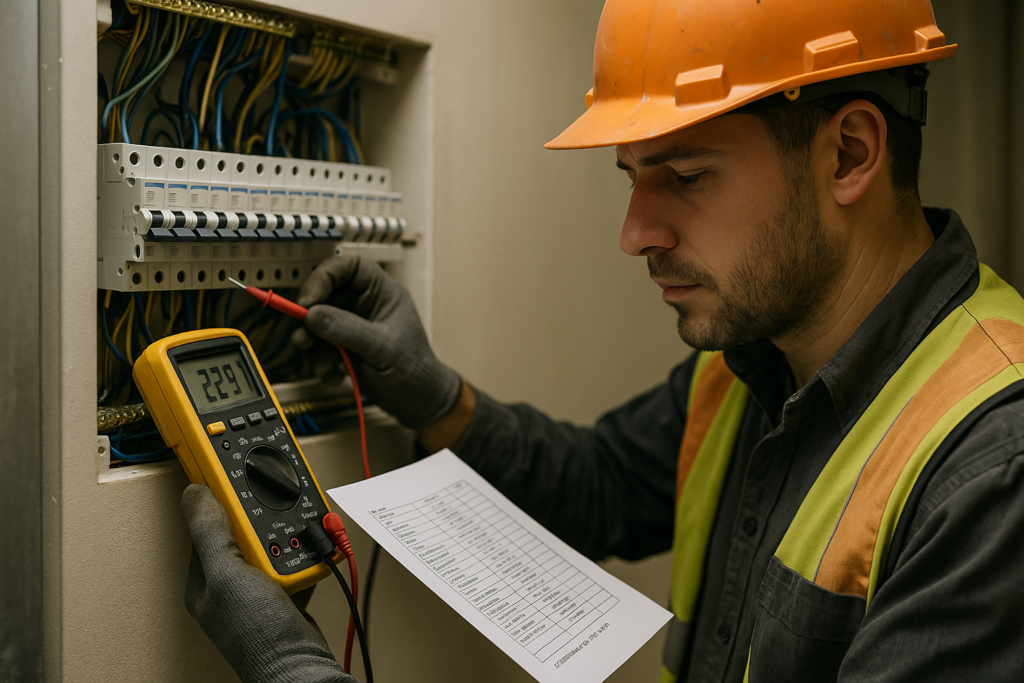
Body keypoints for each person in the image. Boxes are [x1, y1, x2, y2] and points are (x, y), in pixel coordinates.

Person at [180, 0, 1024, 681]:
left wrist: (294, 668)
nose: (634, 233)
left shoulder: (991, 468)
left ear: (848, 153)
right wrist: (434, 394)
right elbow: (600, 484)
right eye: (632, 177)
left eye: (686, 176)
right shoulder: (751, 368)